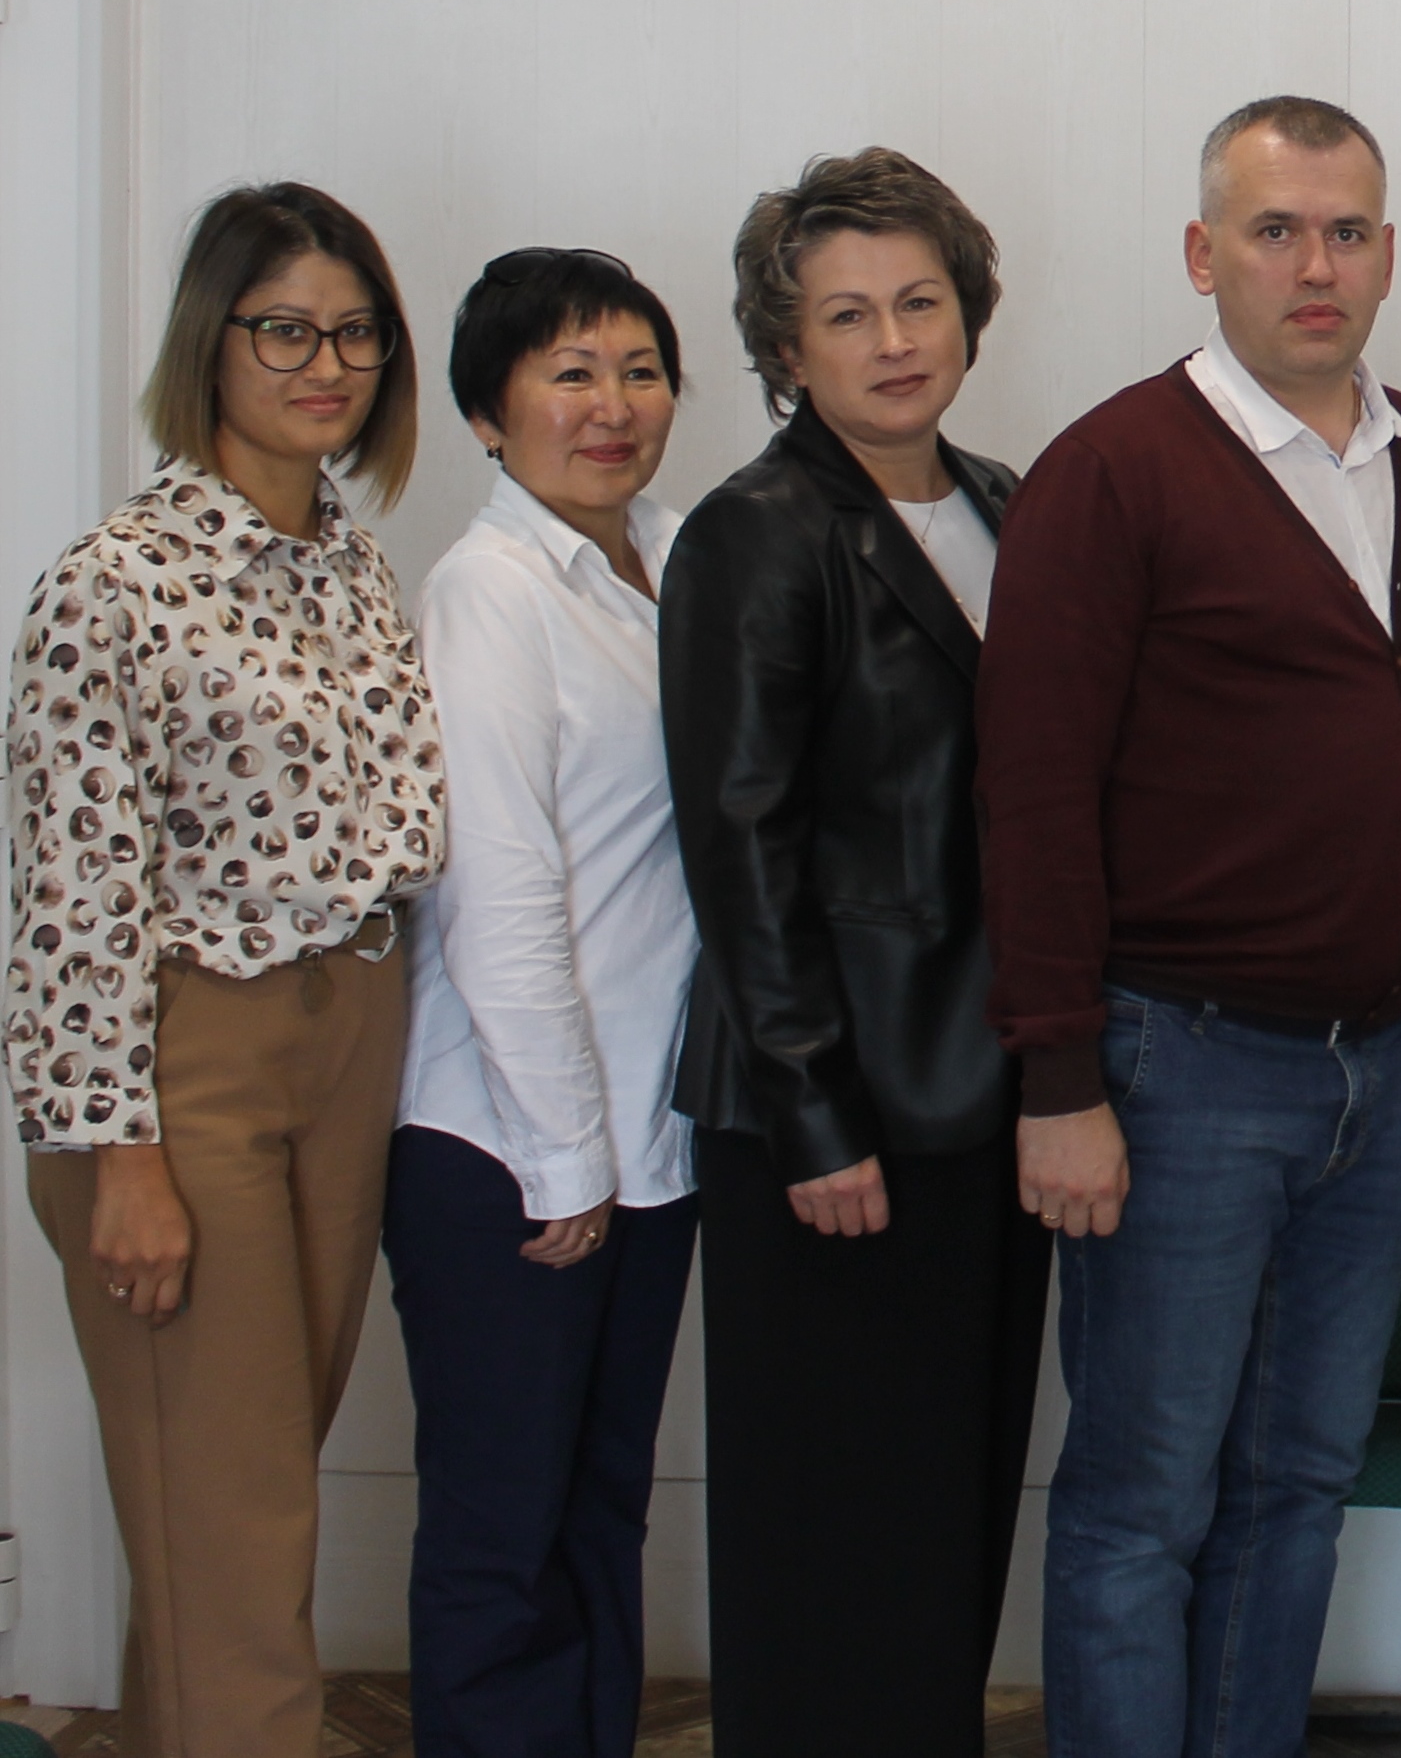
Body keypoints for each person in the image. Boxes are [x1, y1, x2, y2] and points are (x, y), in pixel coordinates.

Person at [982, 96, 1401, 1758]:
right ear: (1202, 252)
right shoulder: (1111, 472)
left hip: (1386, 1067)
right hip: (1176, 1070)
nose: (1315, 265)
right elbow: (1031, 792)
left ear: (1388, 253)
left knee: (1298, 1482)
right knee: (1143, 1498)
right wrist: (1057, 1075)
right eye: (1276, 229)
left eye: (1346, 230)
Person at [6, 182, 445, 1758]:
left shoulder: (353, 565)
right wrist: (117, 1152)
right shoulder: (112, 581)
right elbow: (70, 892)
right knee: (237, 1522)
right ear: (212, 339)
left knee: (233, 1499)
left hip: (351, 1029)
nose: (326, 365)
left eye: (356, 332)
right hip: (183, 1057)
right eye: (285, 330)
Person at [660, 148, 1047, 1758]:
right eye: (845, 313)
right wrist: (815, 1112)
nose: (894, 340)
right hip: (834, 1119)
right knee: (828, 1532)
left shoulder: (1009, 499)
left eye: (919, 300)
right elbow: (738, 846)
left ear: (968, 310)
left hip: (989, 1088)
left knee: (945, 1511)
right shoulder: (756, 532)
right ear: (785, 344)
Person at [390, 249, 703, 1757]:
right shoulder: (492, 590)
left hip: (649, 1138)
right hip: (508, 1149)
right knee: (501, 1530)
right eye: (569, 372)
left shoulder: (675, 558)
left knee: (599, 1511)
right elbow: (495, 892)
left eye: (638, 370)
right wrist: (565, 1158)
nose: (611, 404)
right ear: (486, 411)